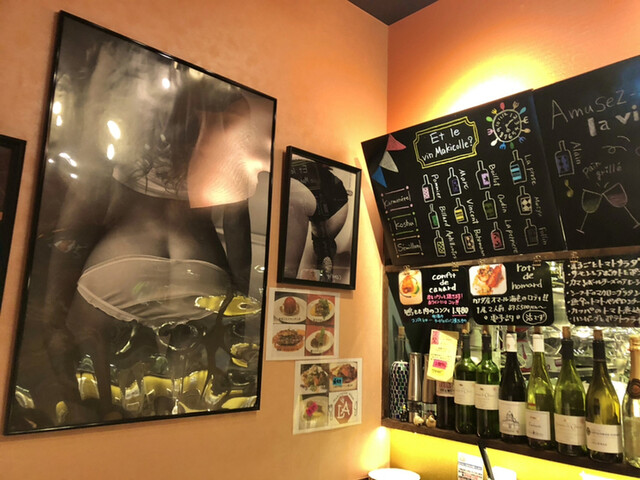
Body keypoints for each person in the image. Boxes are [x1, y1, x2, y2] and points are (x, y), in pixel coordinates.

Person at [9, 22, 271, 430]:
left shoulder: (133, 95)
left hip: (119, 263)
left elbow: (79, 209)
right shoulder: (229, 102)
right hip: (202, 269)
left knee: (98, 386)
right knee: (187, 394)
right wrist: (239, 300)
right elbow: (236, 222)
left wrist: (52, 315)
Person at [284, 157, 350, 283]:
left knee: (288, 270)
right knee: (323, 245)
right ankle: (325, 269)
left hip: (307, 188)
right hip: (336, 195)